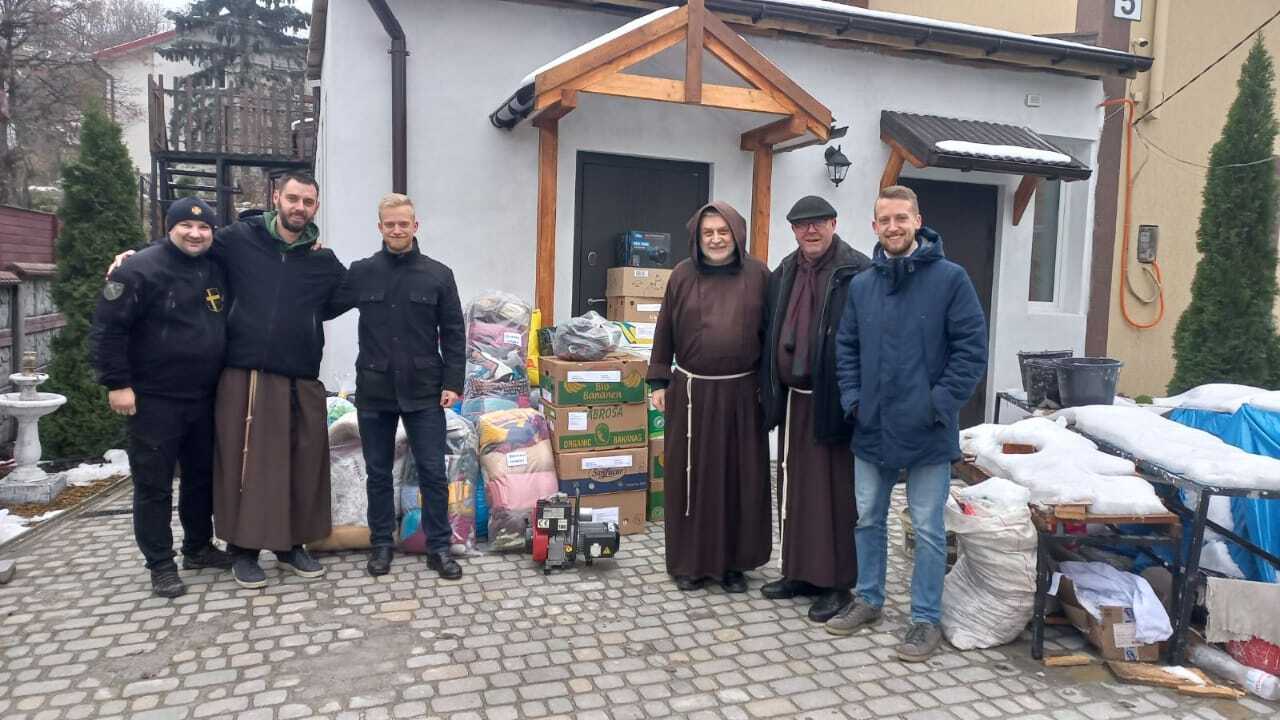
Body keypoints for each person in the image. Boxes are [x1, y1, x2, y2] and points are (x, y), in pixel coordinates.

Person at [108, 172, 347, 590]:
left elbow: (342, 298)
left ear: (316, 207)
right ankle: (243, 549)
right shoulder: (239, 240)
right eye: (292, 198)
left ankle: (291, 544)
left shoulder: (322, 261)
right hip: (246, 374)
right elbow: (185, 245)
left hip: (301, 376)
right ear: (276, 198)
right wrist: (135, 258)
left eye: (307, 202)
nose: (299, 208)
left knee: (298, 466)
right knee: (247, 469)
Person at [828, 185, 987, 662]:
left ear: (917, 221)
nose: (893, 227)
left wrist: (939, 404)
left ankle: (924, 619)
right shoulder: (863, 285)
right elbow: (847, 349)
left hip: (928, 430)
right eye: (884, 220)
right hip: (872, 425)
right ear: (874, 227)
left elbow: (970, 350)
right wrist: (854, 399)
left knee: (928, 528)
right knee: (869, 519)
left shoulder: (951, 279)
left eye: (902, 218)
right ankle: (870, 599)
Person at [90, 196, 234, 598]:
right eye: (186, 226)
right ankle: (160, 564)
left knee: (201, 478)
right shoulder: (138, 269)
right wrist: (117, 383)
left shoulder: (216, 267)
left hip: (205, 396)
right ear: (168, 227)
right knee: (153, 485)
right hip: (155, 398)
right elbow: (108, 330)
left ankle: (198, 548)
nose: (195, 233)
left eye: (204, 227)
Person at [327, 193, 466, 580]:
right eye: (390, 224)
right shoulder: (362, 272)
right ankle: (381, 545)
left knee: (433, 473)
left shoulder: (438, 274)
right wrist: (316, 260)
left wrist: (453, 381)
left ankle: (439, 547)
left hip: (424, 389)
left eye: (404, 223)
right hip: (375, 389)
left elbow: (454, 333)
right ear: (380, 228)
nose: (397, 230)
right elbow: (325, 303)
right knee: (377, 473)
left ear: (415, 226)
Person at [647, 201, 772, 593]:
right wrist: (658, 382)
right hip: (691, 393)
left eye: (723, 231)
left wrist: (769, 391)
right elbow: (664, 328)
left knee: (738, 479)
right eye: (708, 233)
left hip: (741, 393)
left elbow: (771, 337)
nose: (716, 239)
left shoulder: (760, 275)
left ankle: (734, 565)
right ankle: (690, 563)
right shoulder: (682, 276)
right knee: (691, 478)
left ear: (737, 233)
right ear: (697, 238)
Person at [761, 195, 870, 623]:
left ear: (834, 223)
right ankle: (799, 572)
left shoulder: (856, 270)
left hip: (833, 401)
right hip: (794, 401)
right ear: (792, 229)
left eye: (819, 222)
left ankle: (835, 582)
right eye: (802, 224)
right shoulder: (785, 271)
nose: (811, 230)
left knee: (832, 496)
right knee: (794, 488)